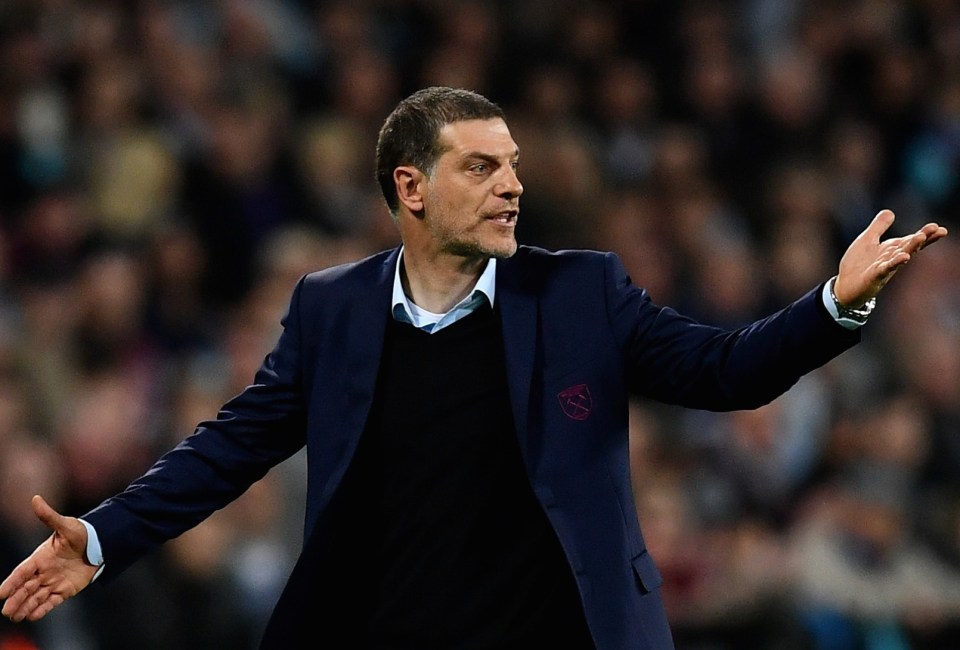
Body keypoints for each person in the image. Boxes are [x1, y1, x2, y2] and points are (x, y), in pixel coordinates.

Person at [0, 87, 949, 649]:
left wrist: (837, 301)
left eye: (515, 164)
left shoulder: (581, 294)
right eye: (483, 168)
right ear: (410, 188)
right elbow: (227, 449)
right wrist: (100, 537)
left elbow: (727, 371)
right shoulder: (331, 310)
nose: (514, 185)